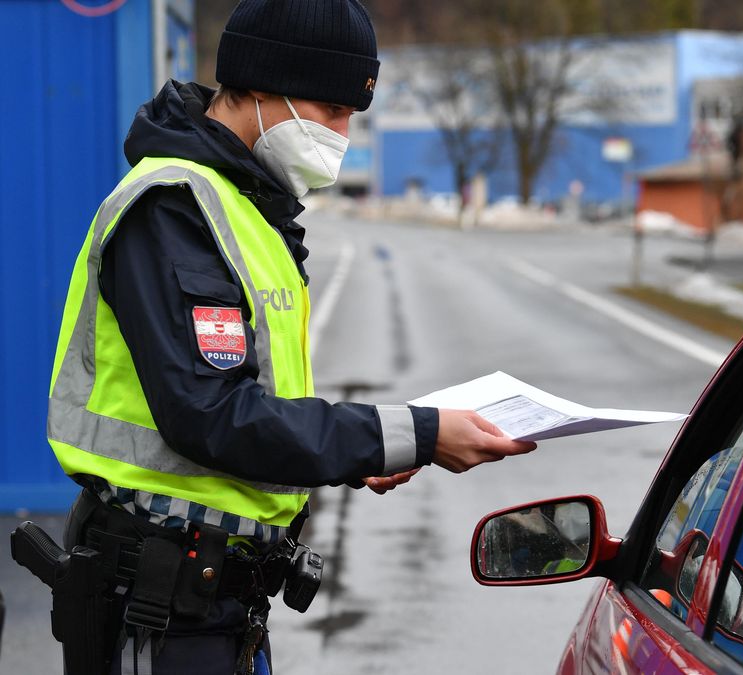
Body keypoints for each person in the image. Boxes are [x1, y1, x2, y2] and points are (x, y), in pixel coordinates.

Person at [38, 1, 535, 673]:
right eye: (332, 111)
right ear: (263, 86)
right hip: (158, 601)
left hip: (217, 600)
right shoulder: (174, 208)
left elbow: (254, 401)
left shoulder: (248, 208)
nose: (343, 134)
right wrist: (412, 431)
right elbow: (210, 413)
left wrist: (354, 455)